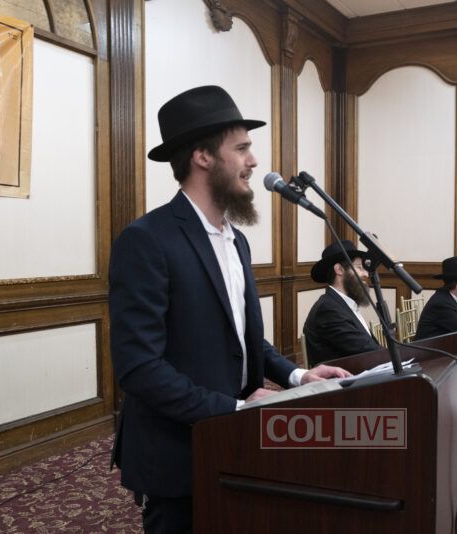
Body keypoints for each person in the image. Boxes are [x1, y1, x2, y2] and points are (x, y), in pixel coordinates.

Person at [108, 85, 350, 534]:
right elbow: (139, 368)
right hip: (177, 453)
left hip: (235, 440)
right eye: (241, 148)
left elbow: (242, 337)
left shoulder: (236, 241)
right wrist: (234, 408)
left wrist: (298, 376)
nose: (253, 161)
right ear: (202, 156)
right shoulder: (147, 240)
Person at [303, 240, 381, 367]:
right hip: (346, 379)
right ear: (339, 269)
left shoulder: (342, 305)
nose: (366, 274)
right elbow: (367, 352)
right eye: (360, 268)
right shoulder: (328, 310)